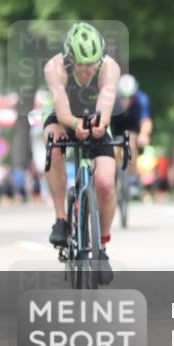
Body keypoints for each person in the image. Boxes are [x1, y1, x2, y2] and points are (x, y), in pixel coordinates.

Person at [42, 22, 120, 284]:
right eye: (81, 64)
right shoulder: (55, 68)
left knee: (106, 184)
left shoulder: (109, 68)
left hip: (94, 116)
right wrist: (75, 125)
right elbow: (63, 112)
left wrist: (99, 125)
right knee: (54, 147)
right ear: (69, 58)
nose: (87, 71)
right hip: (62, 116)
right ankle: (61, 219)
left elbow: (105, 106)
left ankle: (103, 248)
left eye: (92, 64)